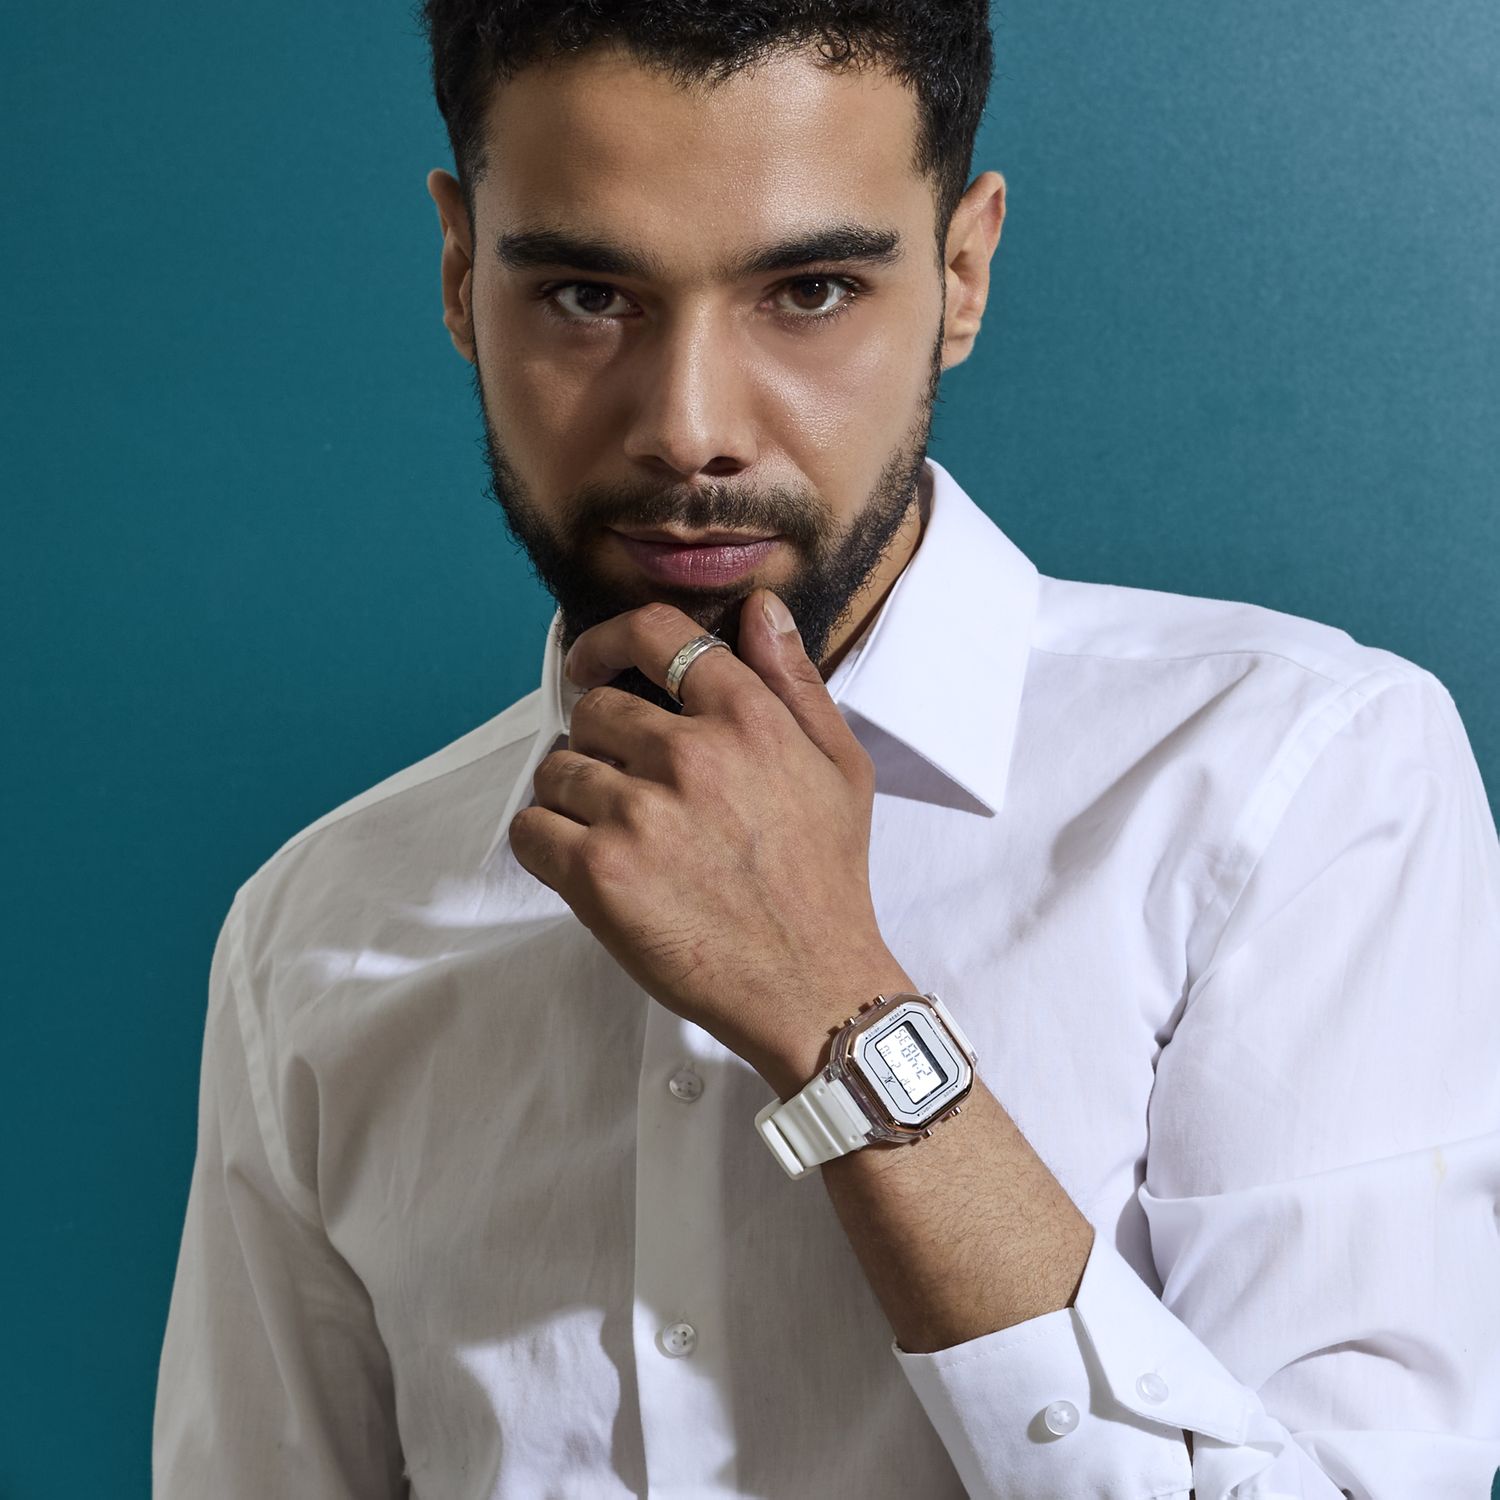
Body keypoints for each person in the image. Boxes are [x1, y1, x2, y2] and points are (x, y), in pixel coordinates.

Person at [152, 3, 1500, 1496]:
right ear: (465, 276)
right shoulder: (318, 925)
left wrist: (835, 1007)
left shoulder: (1296, 785)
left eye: (808, 291)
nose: (689, 429)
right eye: (589, 295)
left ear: (961, 272)